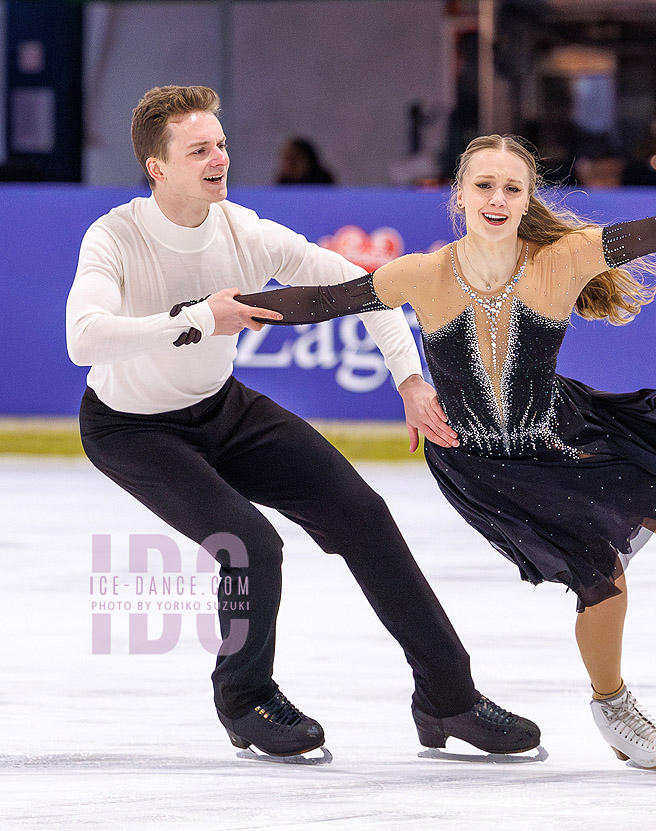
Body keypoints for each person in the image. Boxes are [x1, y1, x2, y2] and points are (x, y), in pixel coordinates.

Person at [225, 134, 656, 777]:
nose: (497, 199)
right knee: (601, 571)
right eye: (485, 186)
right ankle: (614, 705)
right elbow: (322, 302)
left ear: (527, 202)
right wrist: (215, 312)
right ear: (459, 196)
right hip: (483, 462)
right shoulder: (424, 274)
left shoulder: (565, 259)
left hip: (567, 431)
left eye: (512, 189)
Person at [66, 87, 540, 761]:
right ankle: (244, 699)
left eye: (222, 143)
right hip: (130, 427)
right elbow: (84, 339)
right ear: (157, 167)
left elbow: (369, 288)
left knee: (363, 513)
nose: (219, 157)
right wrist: (203, 316)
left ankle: (448, 697)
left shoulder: (244, 233)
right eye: (199, 149)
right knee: (250, 543)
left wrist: (409, 378)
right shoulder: (115, 236)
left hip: (221, 407)